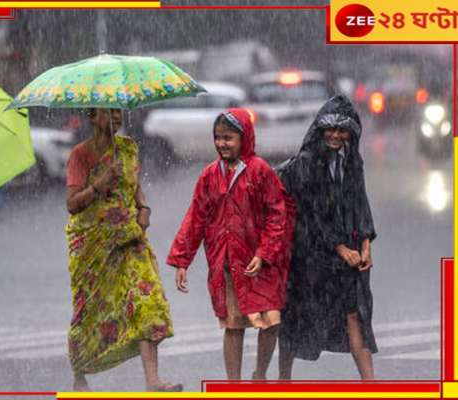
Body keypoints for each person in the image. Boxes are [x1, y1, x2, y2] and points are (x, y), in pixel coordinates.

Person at [166, 108, 292, 380]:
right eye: (218, 137)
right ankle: (233, 385)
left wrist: (265, 252)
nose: (222, 144)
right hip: (228, 263)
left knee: (270, 322)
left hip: (260, 264)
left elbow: (277, 216)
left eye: (229, 138)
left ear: (244, 138)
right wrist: (181, 260)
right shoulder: (209, 176)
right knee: (233, 325)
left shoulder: (260, 172)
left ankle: (260, 373)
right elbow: (195, 218)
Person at [65, 108, 181, 392]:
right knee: (91, 311)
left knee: (147, 301)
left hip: (130, 237)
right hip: (94, 244)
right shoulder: (81, 155)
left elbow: (134, 186)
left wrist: (144, 207)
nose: (116, 118)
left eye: (118, 112)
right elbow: (72, 204)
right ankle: (80, 373)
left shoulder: (128, 148)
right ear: (92, 118)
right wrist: (99, 185)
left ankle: (153, 380)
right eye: (108, 113)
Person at [277, 95, 377, 380]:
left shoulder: (352, 160)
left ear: (351, 132)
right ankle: (283, 379)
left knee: (355, 313)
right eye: (329, 129)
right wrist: (340, 247)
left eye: (341, 129)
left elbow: (360, 201)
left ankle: (371, 384)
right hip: (310, 254)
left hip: (347, 253)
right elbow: (312, 212)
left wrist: (366, 243)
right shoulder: (307, 163)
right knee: (295, 316)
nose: (335, 135)